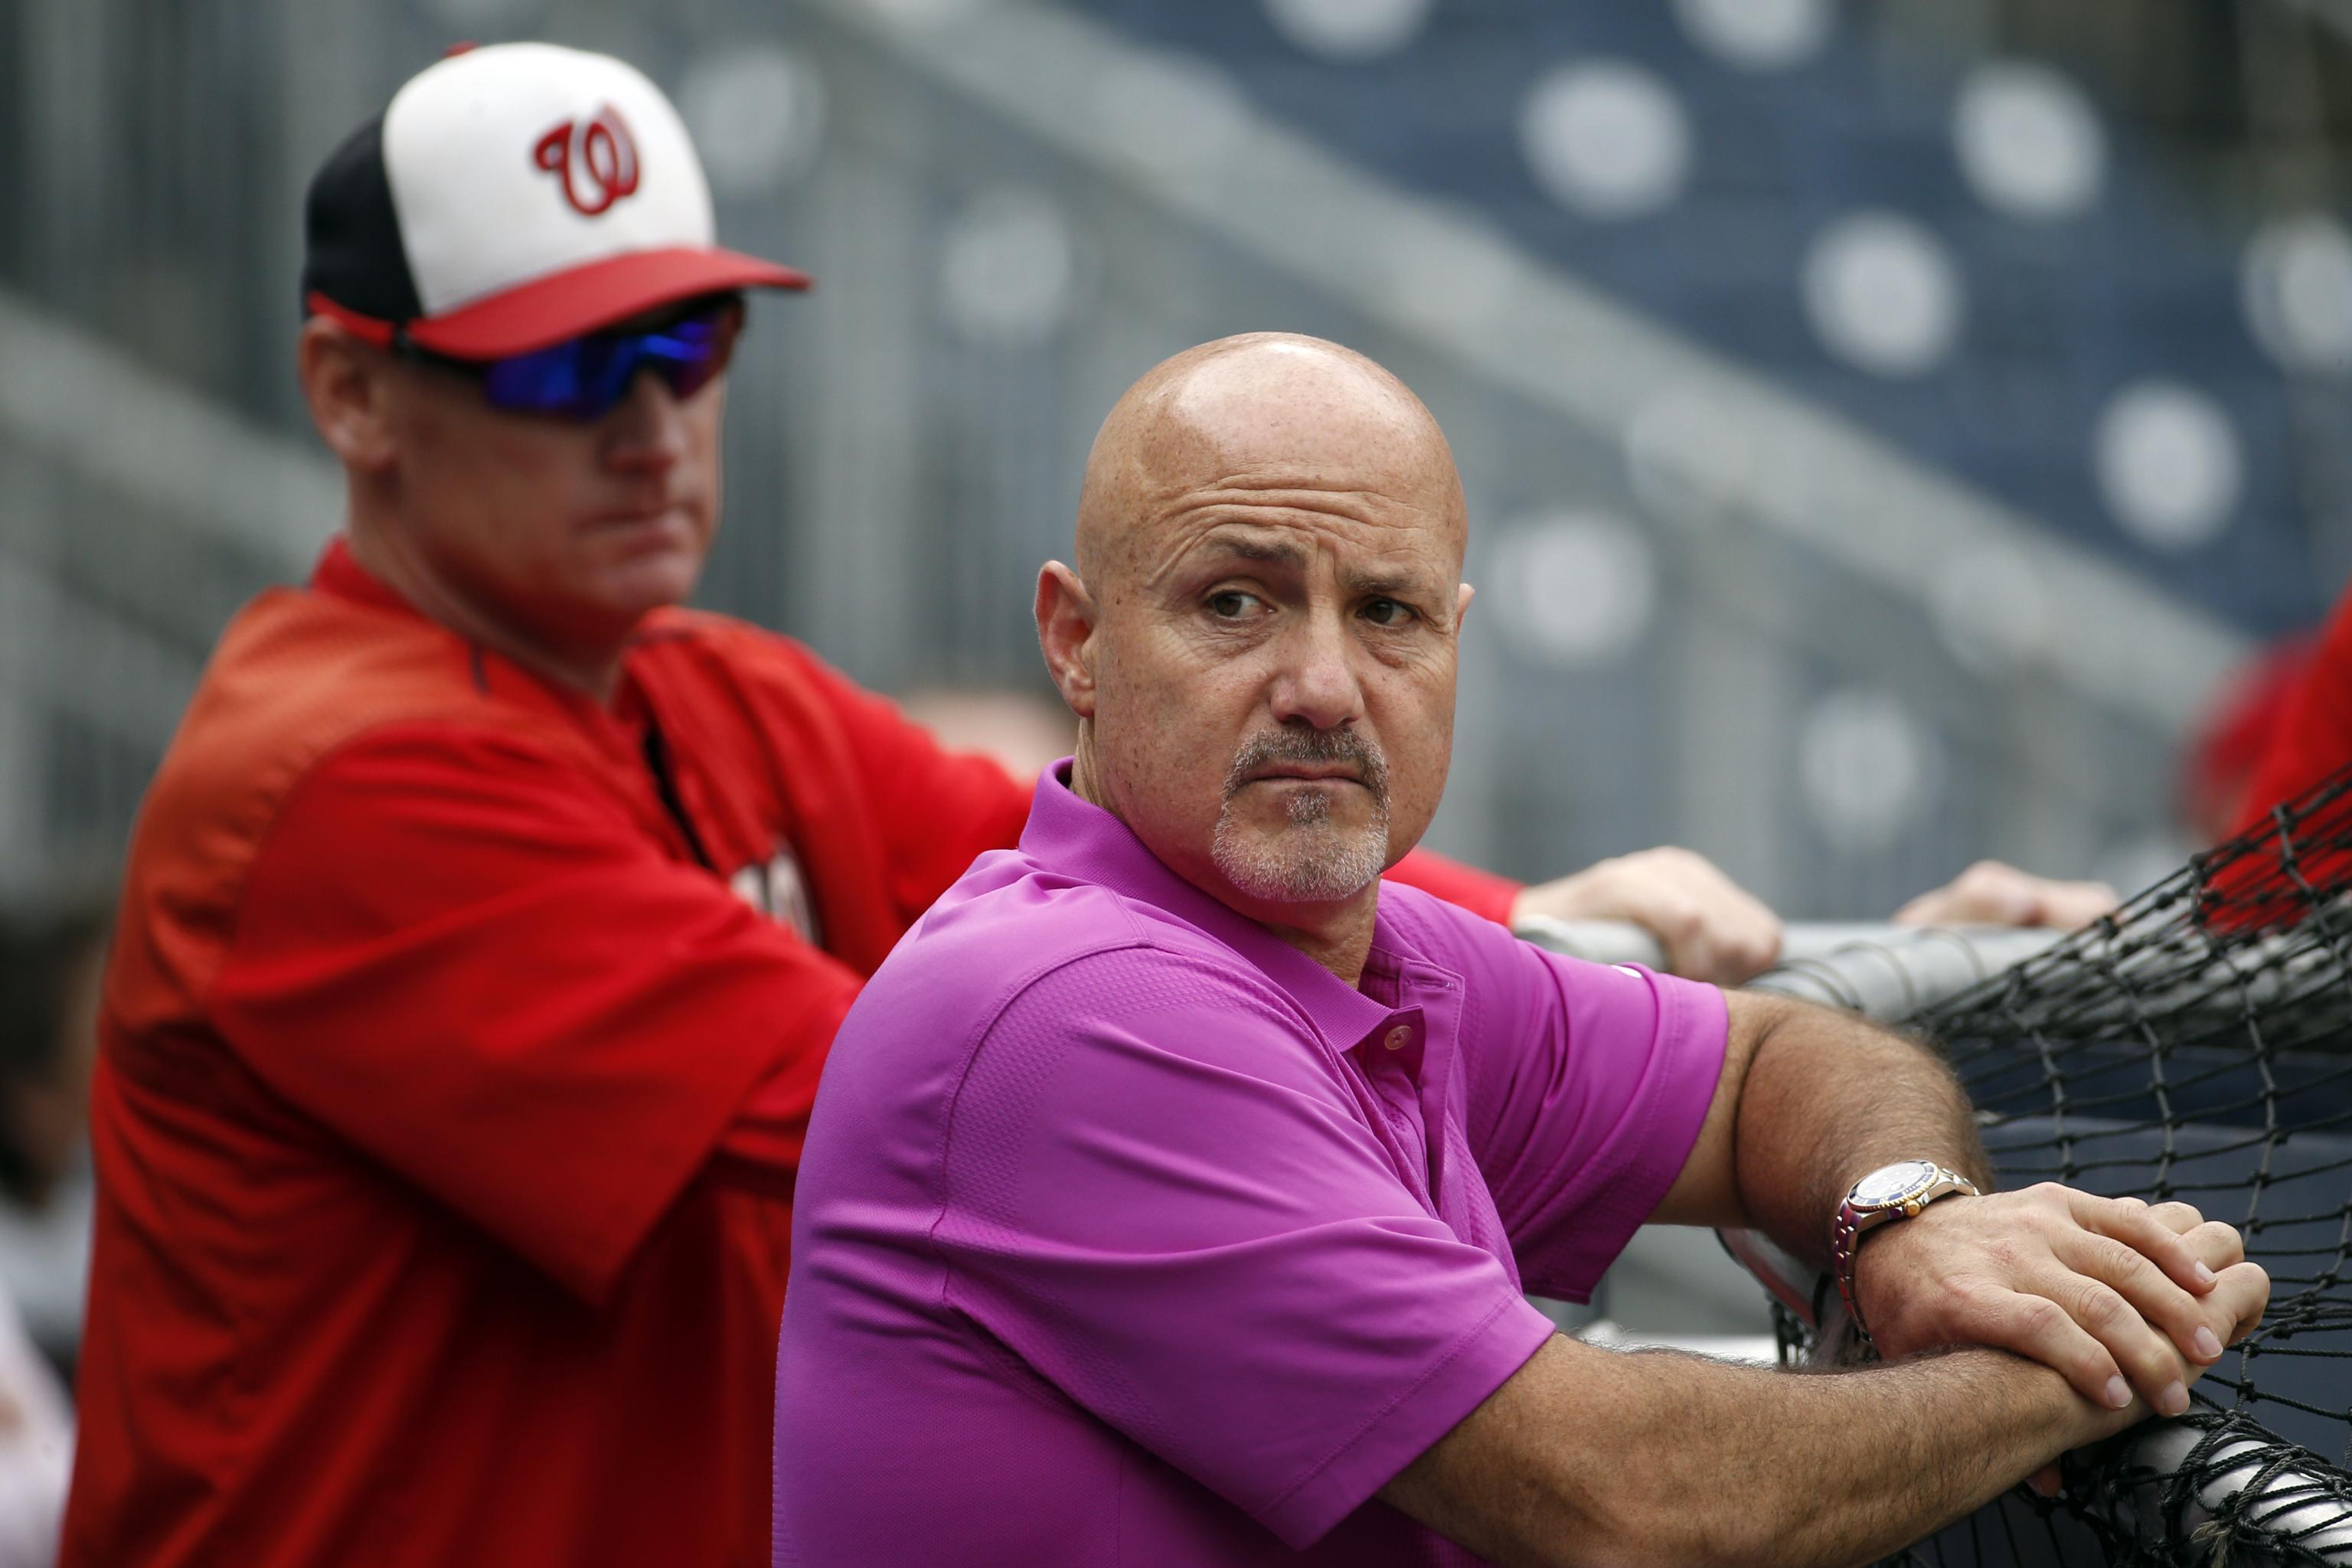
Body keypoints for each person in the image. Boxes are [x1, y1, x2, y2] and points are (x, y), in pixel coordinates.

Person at [56, 42, 1840, 1568]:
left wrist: (1541, 923)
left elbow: (1125, 836)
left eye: (690, 341)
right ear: (351, 394)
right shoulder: (335, 774)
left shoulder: (704, 683)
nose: (652, 423)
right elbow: (1040, 1073)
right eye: (559, 365)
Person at [770, 335, 2268, 1566]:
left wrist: (1912, 1222)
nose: (1321, 684)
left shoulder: (1379, 953)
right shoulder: (1078, 1010)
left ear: (1458, 636)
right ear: (1077, 642)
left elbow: (1776, 1063)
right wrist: (2071, 1360)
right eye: (1235, 602)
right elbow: (1627, 1499)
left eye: (1389, 613)